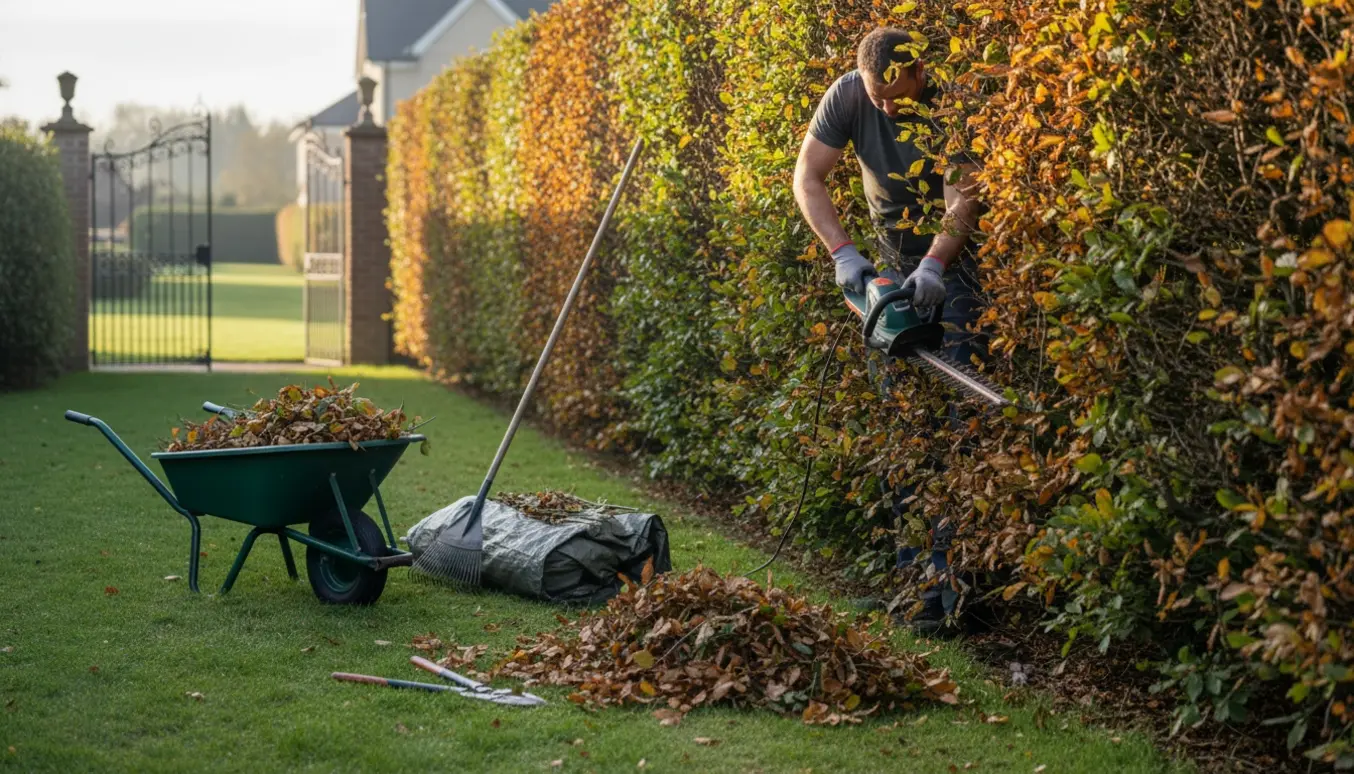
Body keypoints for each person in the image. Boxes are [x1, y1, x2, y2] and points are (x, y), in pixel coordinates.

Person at [792, 27, 986, 635]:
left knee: (964, 426)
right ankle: (915, 586)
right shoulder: (849, 95)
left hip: (960, 270)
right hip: (888, 264)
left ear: (919, 72)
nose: (884, 107)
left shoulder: (953, 101)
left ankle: (962, 593)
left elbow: (965, 196)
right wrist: (843, 253)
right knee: (903, 422)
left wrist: (936, 263)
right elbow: (809, 176)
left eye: (894, 95)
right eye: (876, 96)